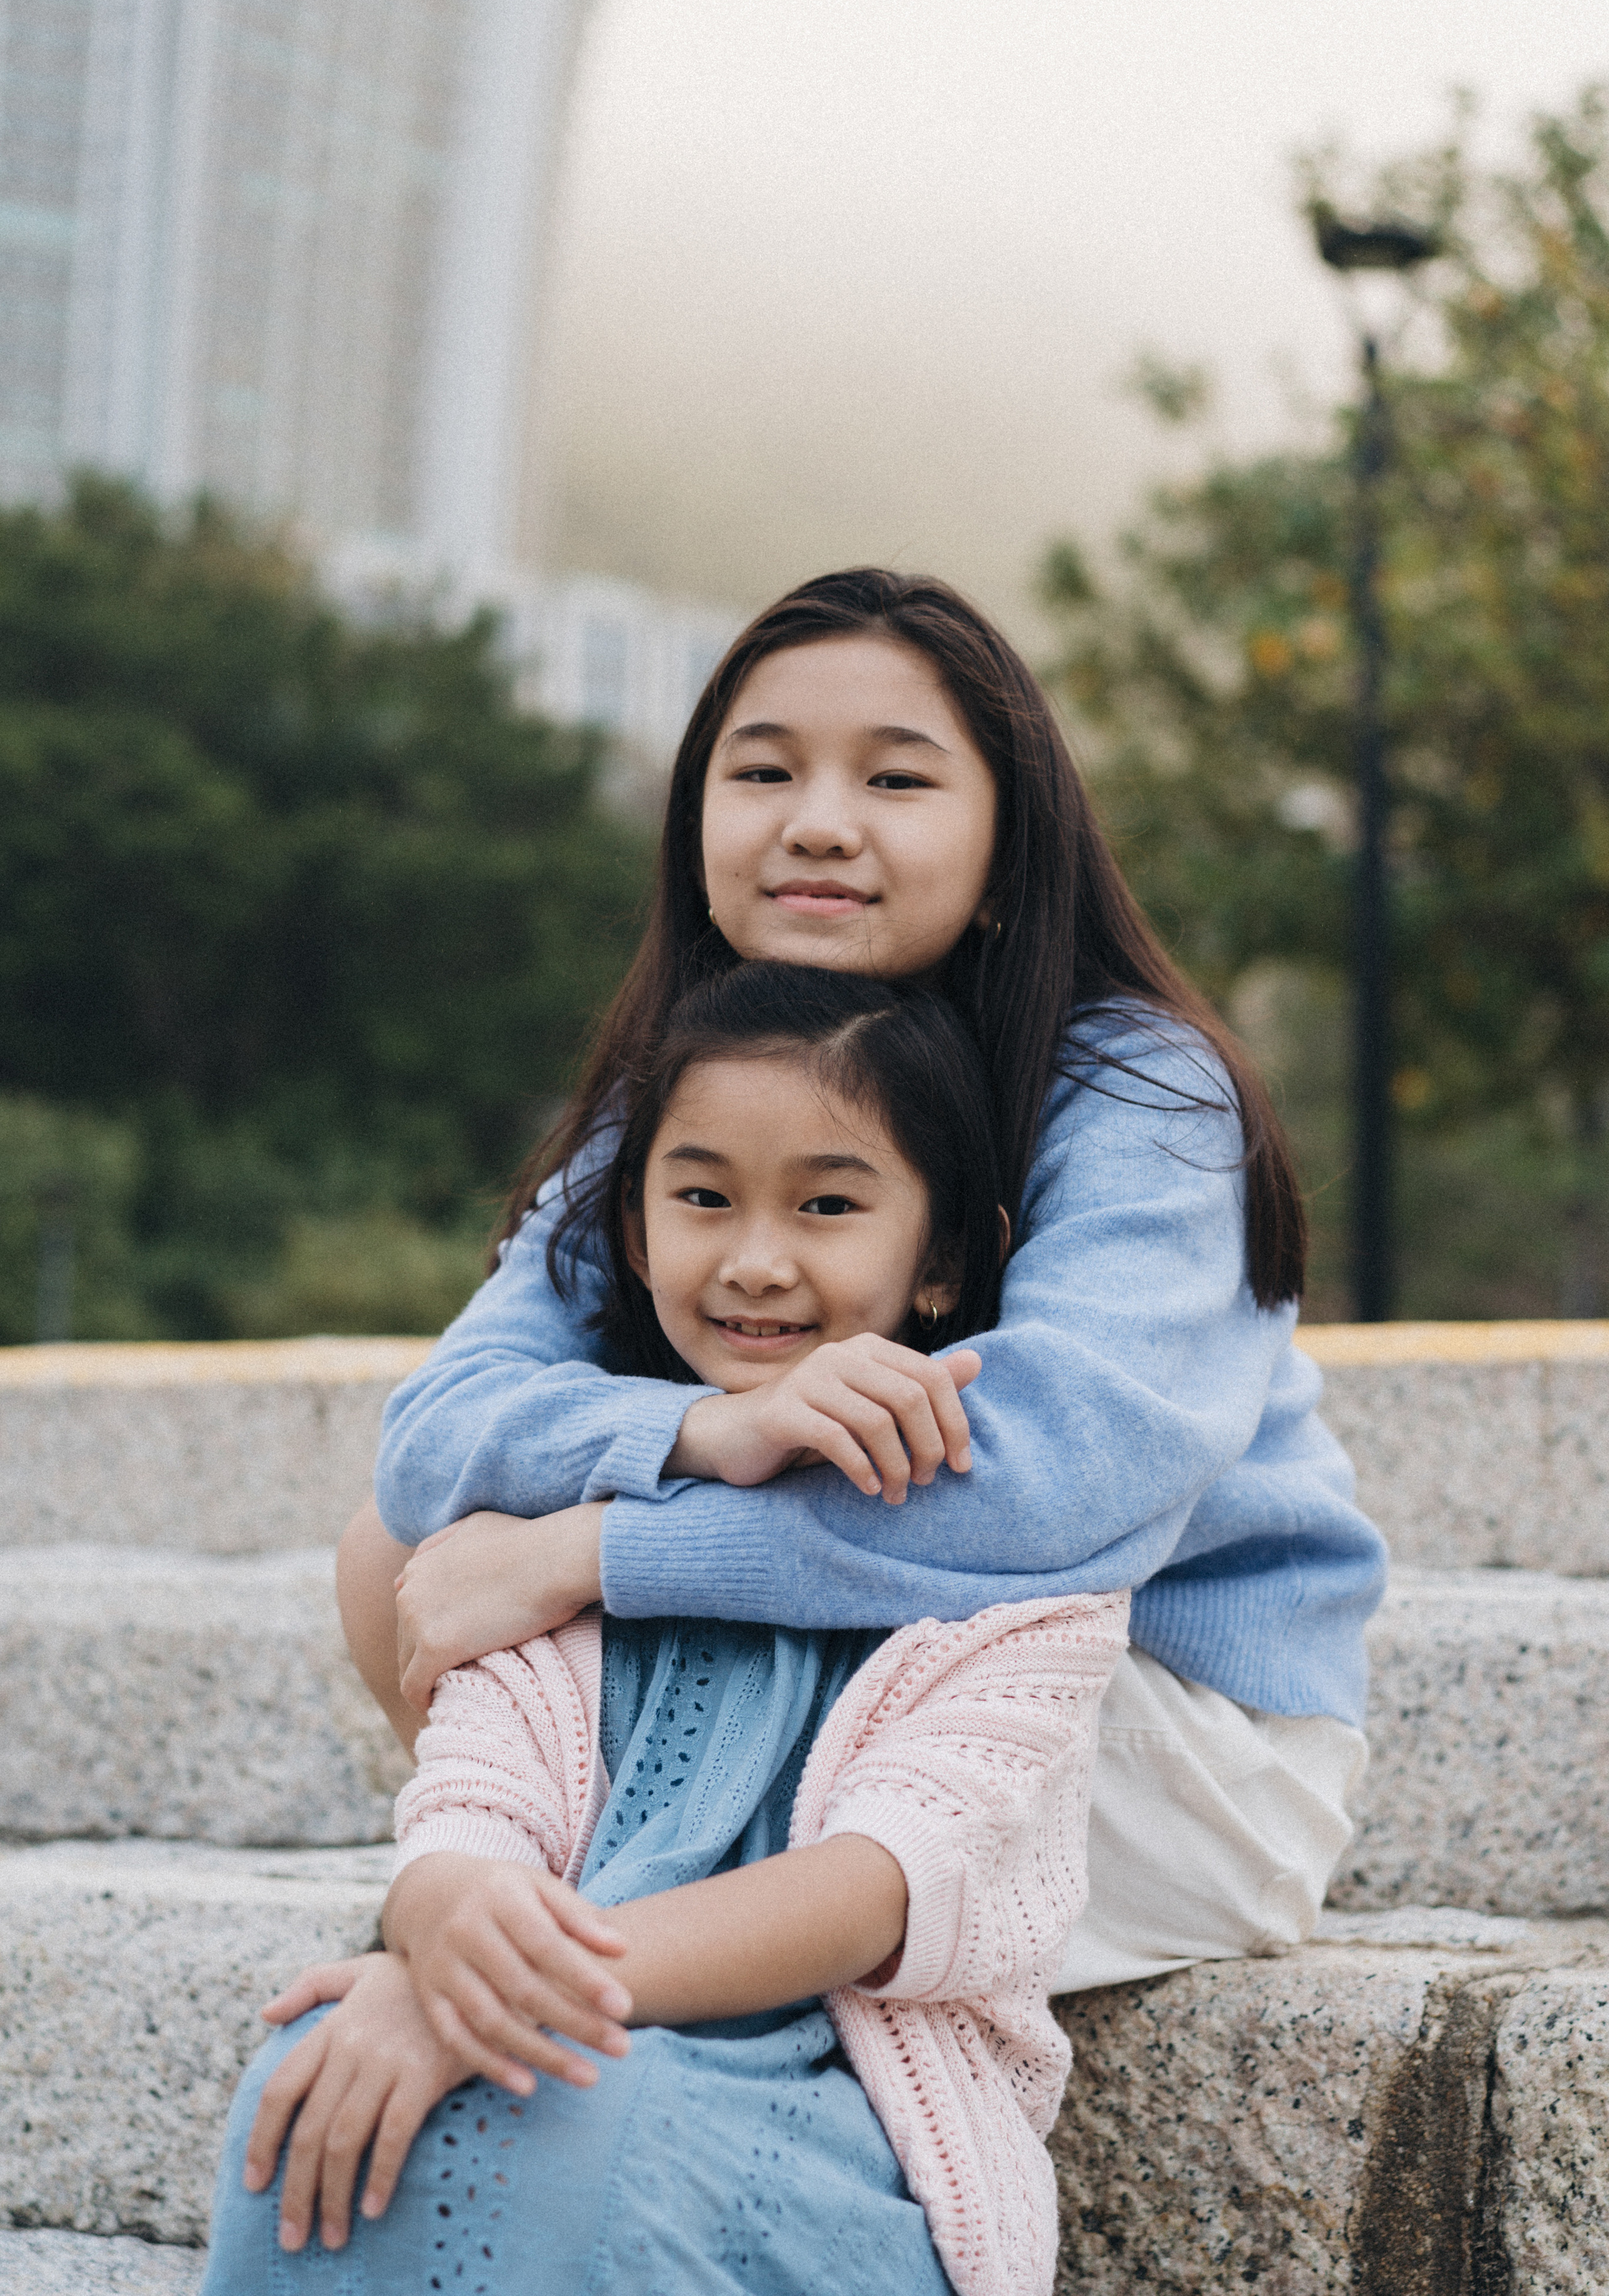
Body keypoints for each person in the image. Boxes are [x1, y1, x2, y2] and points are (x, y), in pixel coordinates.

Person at [340, 567, 1382, 1999]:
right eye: (760, 770)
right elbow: (436, 1432)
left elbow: (1046, 1484)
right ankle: (579, 1925)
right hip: (857, 1654)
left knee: (518, 1571)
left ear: (1009, 842)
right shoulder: (676, 1091)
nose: (817, 821)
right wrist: (693, 1435)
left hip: (1135, 1709)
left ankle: (583, 1962)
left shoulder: (1139, 1092)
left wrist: (598, 1549)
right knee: (383, 1552)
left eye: (896, 780)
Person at [202, 963, 1131, 2296]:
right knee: (305, 2086)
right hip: (589, 2023)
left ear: (938, 1259)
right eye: (701, 1198)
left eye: (825, 1204)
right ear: (633, 1240)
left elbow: (874, 1894)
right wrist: (442, 1923)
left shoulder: (1020, 1554)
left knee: (578, 2140)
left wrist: (505, 1992)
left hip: (846, 2117)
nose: (755, 1259)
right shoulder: (548, 1532)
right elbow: (470, 1801)